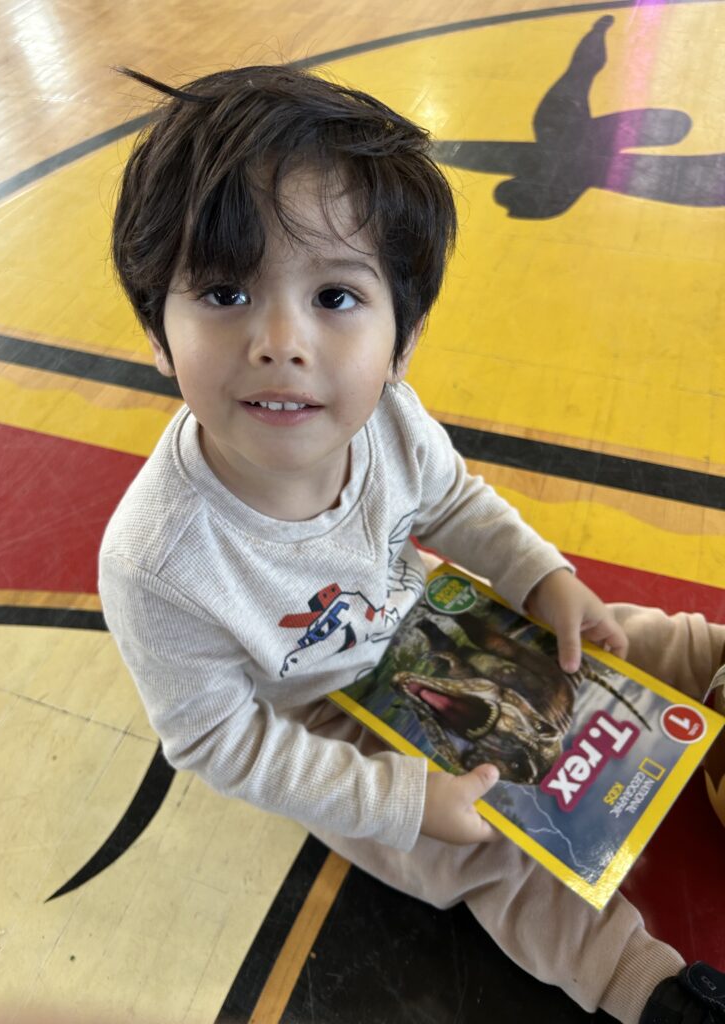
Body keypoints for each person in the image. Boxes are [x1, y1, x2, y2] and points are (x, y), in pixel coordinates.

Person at [99, 64, 725, 1024]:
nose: (280, 339)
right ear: (156, 326)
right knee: (487, 853)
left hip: (440, 627)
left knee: (623, 642)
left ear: (403, 337)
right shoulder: (156, 558)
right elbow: (218, 740)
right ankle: (650, 989)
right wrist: (400, 804)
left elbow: (456, 502)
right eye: (224, 292)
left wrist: (542, 574)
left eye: (336, 297)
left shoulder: (391, 415)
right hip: (335, 726)